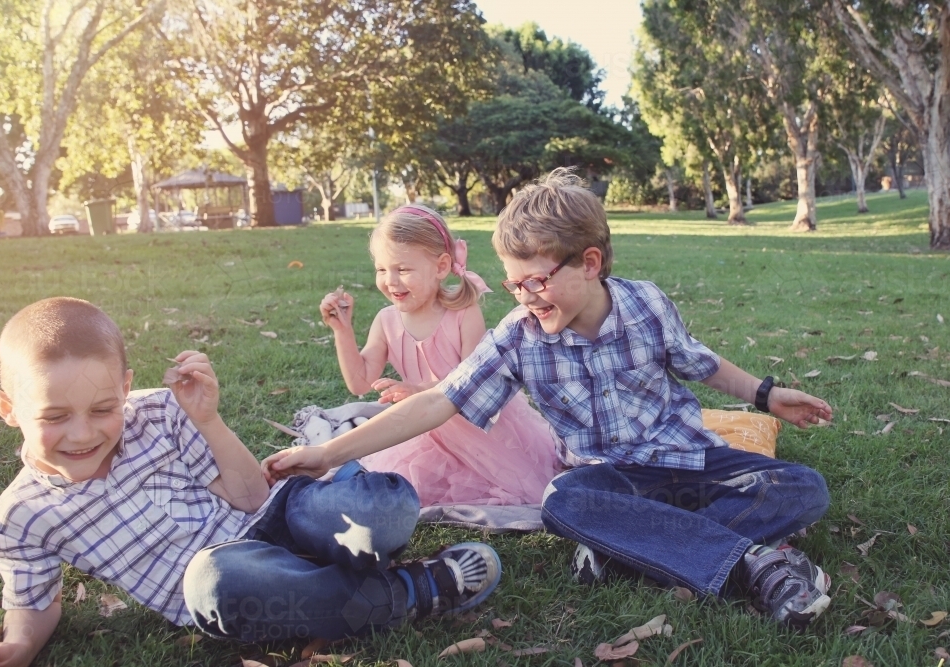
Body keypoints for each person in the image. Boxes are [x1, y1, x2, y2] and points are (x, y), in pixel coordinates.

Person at [264, 170, 835, 631]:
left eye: (536, 281)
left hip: (687, 458)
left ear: (589, 263)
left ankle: (628, 546)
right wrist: (327, 454)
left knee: (802, 487)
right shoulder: (520, 334)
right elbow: (439, 401)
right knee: (563, 502)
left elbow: (698, 361)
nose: (526, 297)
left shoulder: (646, 305)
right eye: (514, 285)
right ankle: (755, 563)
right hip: (609, 477)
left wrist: (767, 393)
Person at [0, 297, 500, 667]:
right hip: (233, 586)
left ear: (126, 386)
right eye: (54, 417)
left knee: (382, 506)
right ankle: (406, 591)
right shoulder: (20, 516)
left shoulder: (160, 412)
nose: (82, 433)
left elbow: (251, 499)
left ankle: (342, 561)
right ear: (8, 408)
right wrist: (21, 646)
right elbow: (32, 600)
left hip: (273, 525)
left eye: (104, 408)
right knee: (215, 578)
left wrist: (208, 420)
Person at [318, 204, 559, 506]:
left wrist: (420, 390)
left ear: (441, 267)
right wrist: (343, 332)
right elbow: (359, 382)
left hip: (476, 427)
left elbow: (476, 383)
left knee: (516, 486)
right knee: (395, 485)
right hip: (420, 427)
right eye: (382, 269)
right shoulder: (386, 320)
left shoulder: (462, 314)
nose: (390, 281)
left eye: (403, 269)